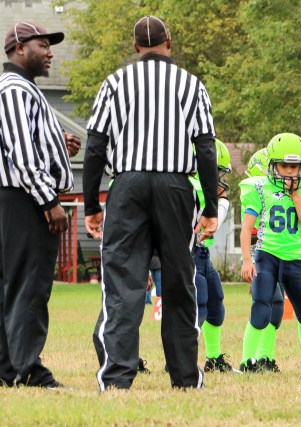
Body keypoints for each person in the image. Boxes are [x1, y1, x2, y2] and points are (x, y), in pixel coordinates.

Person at [83, 16, 219, 390]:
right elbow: (205, 148)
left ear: (135, 47)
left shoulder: (114, 83)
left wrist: (92, 204)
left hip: (127, 185)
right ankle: (185, 377)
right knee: (179, 280)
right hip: (175, 185)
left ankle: (116, 377)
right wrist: (210, 207)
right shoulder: (191, 84)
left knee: (122, 282)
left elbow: (95, 146)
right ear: (169, 42)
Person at [0, 22, 80, 389]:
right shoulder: (14, 89)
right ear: (19, 48)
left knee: (13, 286)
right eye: (42, 45)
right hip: (25, 199)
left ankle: (6, 369)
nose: (49, 53)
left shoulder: (20, 88)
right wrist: (49, 200)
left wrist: (58, 144)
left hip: (16, 197)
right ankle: (29, 370)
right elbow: (22, 154)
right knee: (30, 285)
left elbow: (25, 142)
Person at [239, 133, 301, 373]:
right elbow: (246, 228)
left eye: (294, 166)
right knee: (262, 306)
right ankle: (247, 361)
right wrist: (247, 260)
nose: (288, 171)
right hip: (266, 256)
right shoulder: (259, 187)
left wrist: (295, 195)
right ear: (272, 165)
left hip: (294, 258)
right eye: (283, 165)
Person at [190, 139, 236, 372]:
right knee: (196, 307)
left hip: (202, 254)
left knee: (215, 302)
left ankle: (214, 358)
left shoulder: (204, 190)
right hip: (187, 255)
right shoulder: (187, 187)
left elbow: (221, 203)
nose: (218, 178)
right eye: (215, 171)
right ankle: (180, 359)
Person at [245, 147, 286, 372]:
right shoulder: (256, 194)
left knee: (277, 307)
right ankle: (251, 358)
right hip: (262, 256)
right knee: (267, 304)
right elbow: (249, 233)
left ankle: (265, 357)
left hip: (282, 255)